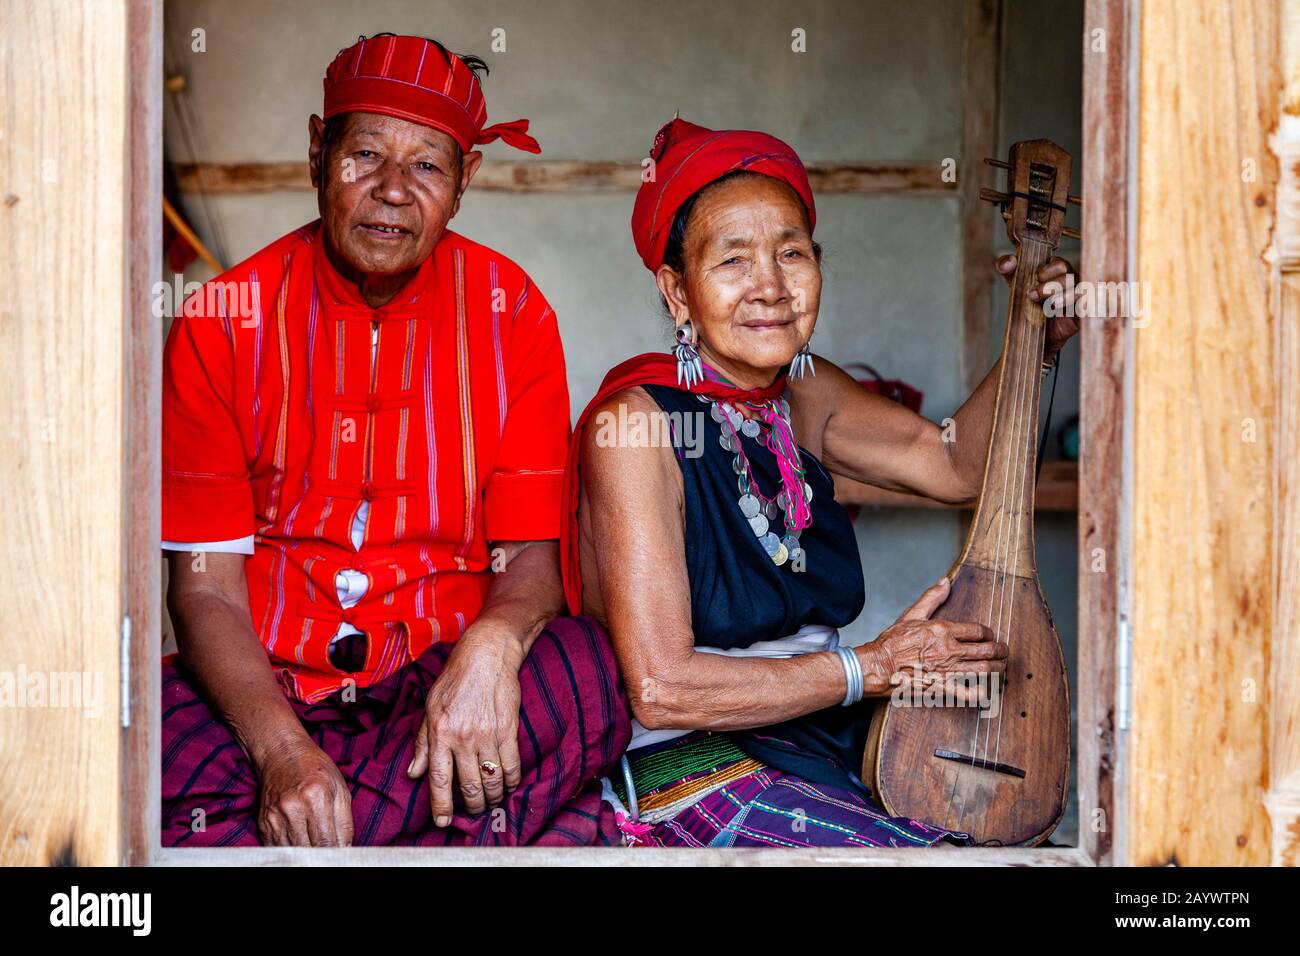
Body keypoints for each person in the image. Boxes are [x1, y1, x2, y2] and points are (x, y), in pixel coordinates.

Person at [160, 34, 629, 847]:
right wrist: (281, 752)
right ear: (318, 150)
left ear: (464, 183)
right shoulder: (222, 319)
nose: (391, 191)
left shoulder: (512, 314)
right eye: (365, 154)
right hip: (269, 691)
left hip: (436, 694)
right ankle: (429, 840)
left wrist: (490, 647)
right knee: (127, 731)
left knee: (589, 675)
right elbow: (205, 587)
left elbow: (530, 560)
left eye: (427, 167)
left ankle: (313, 842)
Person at [561, 117, 1078, 848]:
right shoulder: (635, 426)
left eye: (792, 253)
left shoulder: (806, 393)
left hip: (825, 736)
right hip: (692, 761)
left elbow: (956, 466)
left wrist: (1032, 342)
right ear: (678, 293)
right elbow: (662, 685)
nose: (771, 287)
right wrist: (871, 666)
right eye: (733, 261)